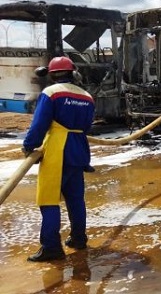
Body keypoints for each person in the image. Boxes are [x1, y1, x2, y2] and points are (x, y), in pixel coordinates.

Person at [22, 56, 95, 262]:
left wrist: (29, 145)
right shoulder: (87, 96)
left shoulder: (51, 93)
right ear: (72, 73)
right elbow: (88, 126)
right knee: (75, 199)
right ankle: (79, 239)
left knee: (48, 199)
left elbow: (40, 123)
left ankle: (51, 247)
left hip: (57, 150)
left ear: (52, 74)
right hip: (79, 150)